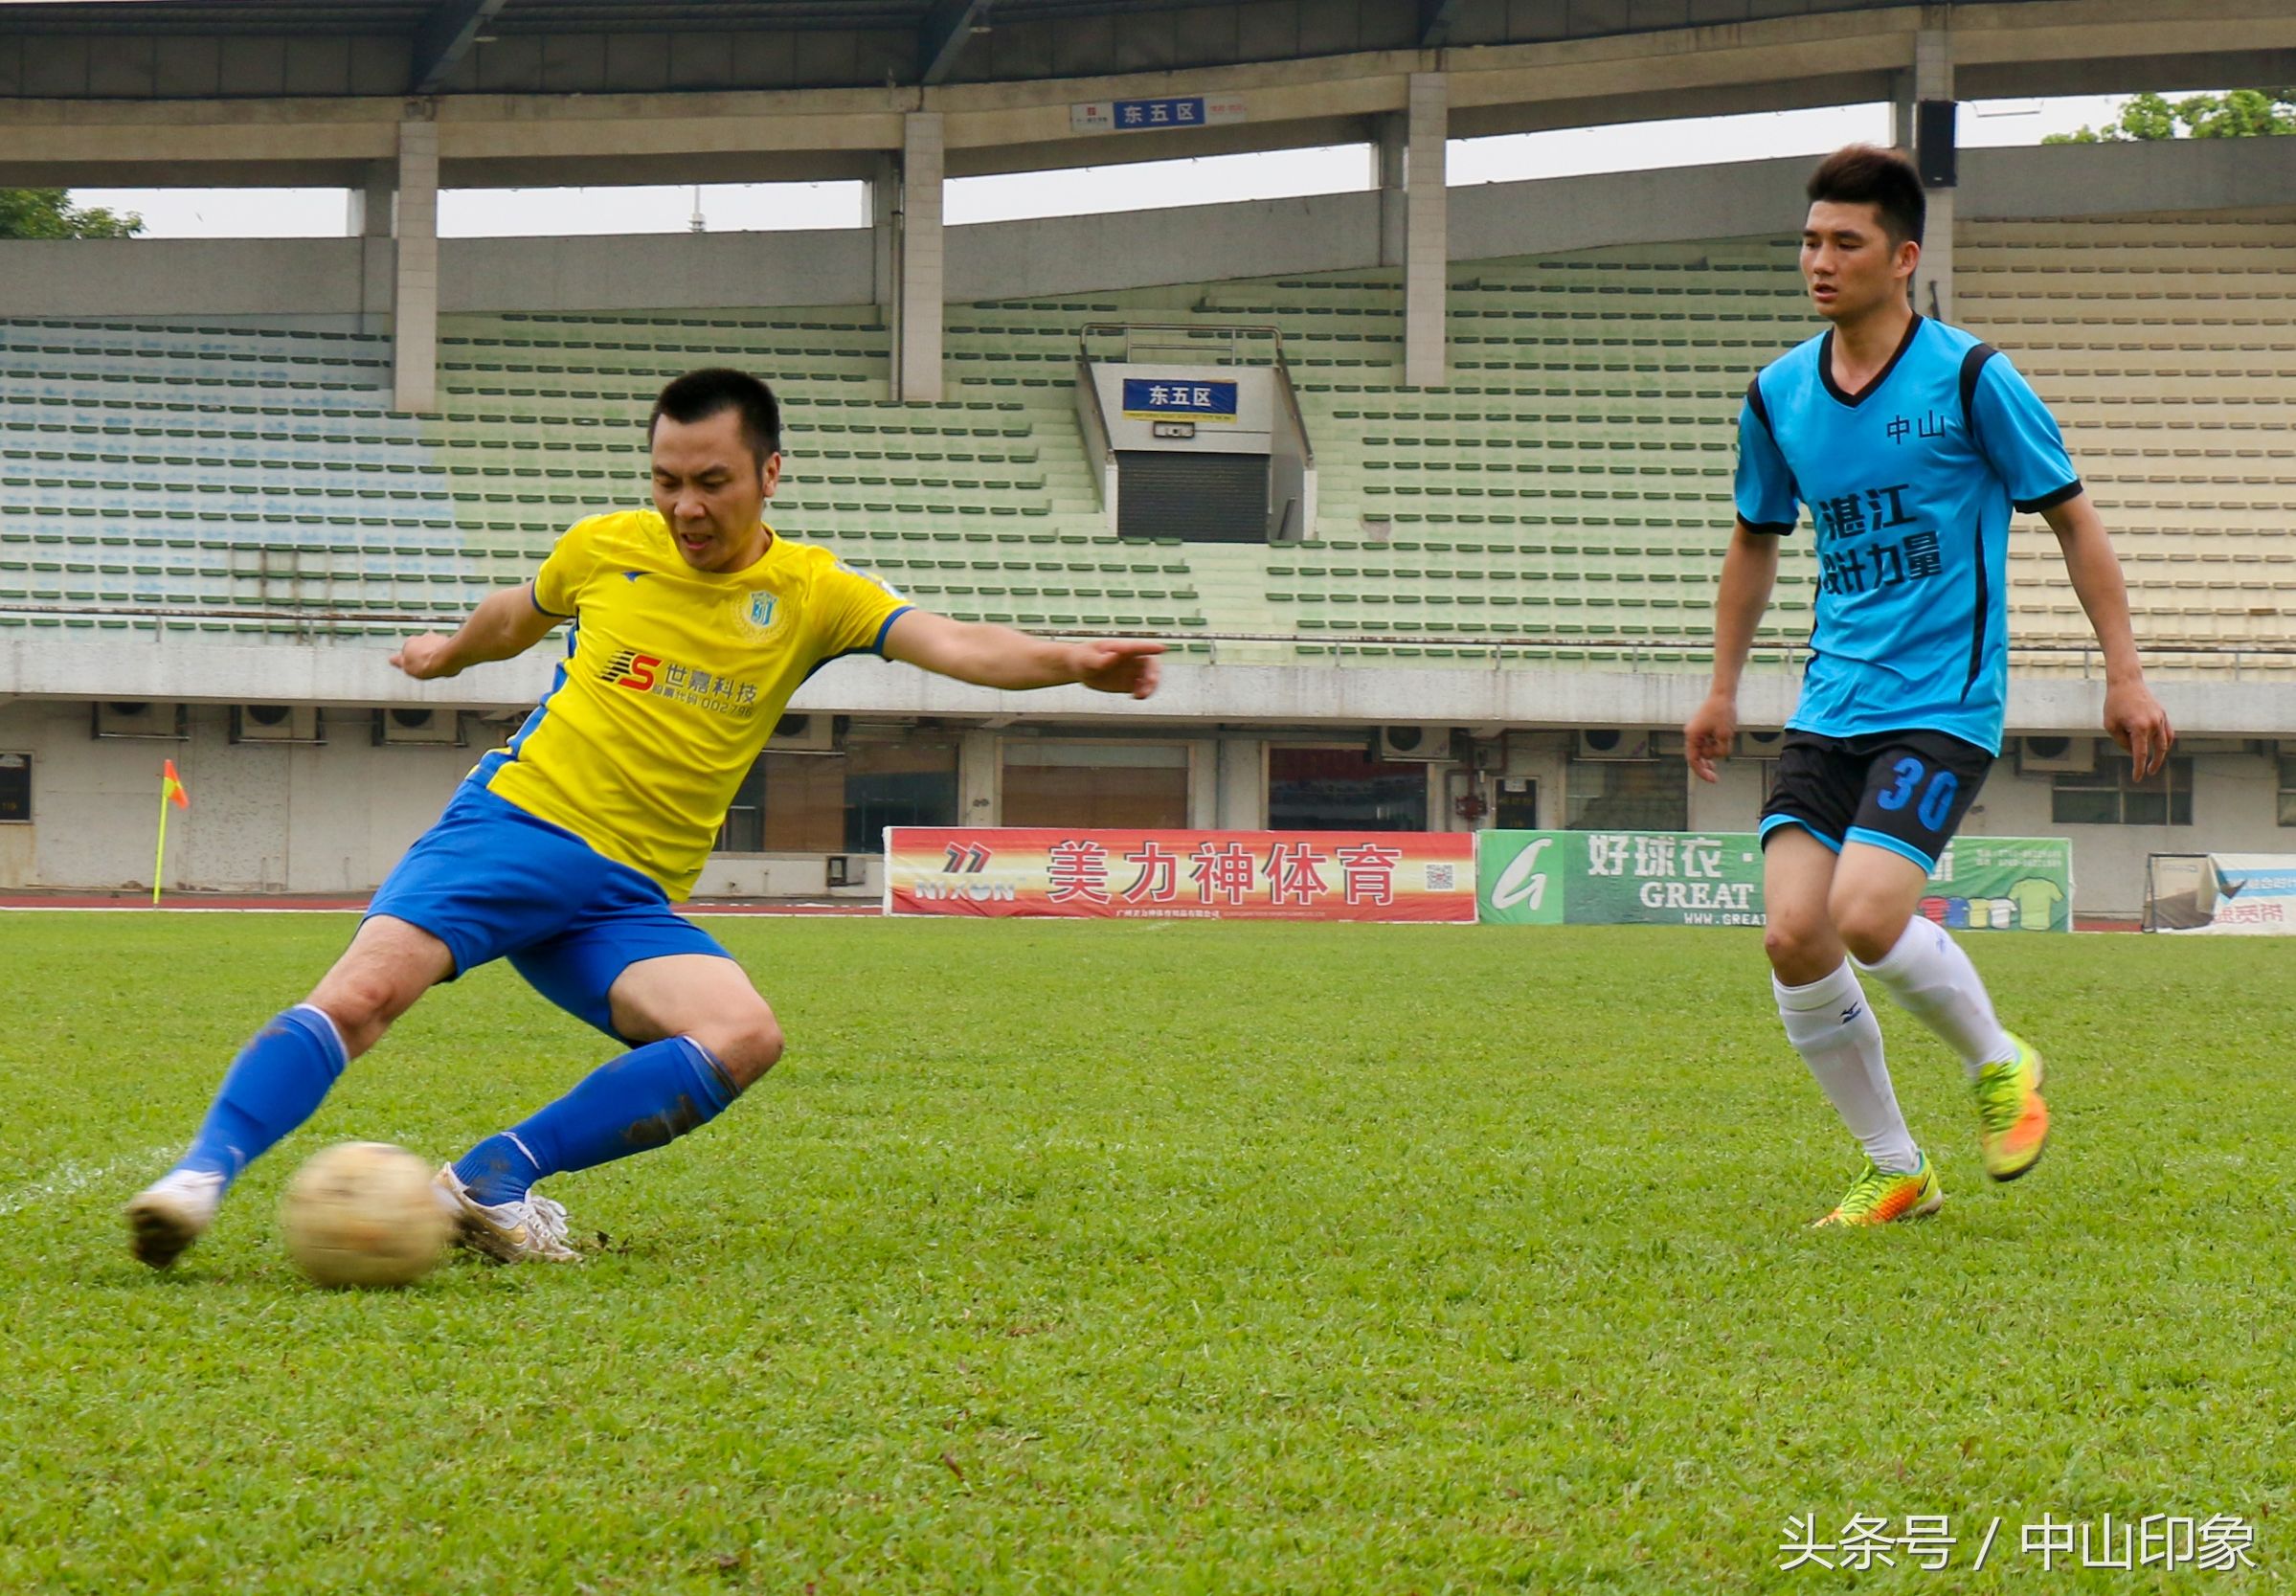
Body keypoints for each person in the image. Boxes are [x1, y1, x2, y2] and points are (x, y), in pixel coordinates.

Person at [127, 367, 1163, 1267]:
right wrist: (445, 654)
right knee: (362, 995)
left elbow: (955, 642)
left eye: (711, 481)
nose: (685, 507)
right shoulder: (605, 548)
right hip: (517, 828)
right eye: (666, 481)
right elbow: (514, 612)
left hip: (627, 895)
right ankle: (196, 1179)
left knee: (742, 1036)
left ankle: (490, 1178)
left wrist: (1073, 661)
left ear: (769, 473)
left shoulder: (814, 591)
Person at [1683, 146, 2172, 1226]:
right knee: (1792, 934)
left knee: (1864, 914)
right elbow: (1754, 540)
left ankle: (2001, 1061)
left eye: (1845, 242)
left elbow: (2073, 519)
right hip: (1829, 704)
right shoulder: (1778, 394)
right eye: (1810, 240)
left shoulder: (1970, 377)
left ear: (1902, 258)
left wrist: (2125, 672)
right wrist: (1721, 687)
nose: (1819, 261)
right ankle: (1896, 1165)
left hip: (1944, 700)